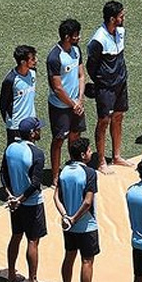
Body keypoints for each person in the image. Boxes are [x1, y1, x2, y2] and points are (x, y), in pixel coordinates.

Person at [0, 117, 47, 282]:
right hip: (32, 204)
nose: (40, 131)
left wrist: (11, 196)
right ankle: (32, 281)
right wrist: (20, 198)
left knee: (16, 236)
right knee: (33, 241)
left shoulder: (10, 148)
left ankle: (11, 275)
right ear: (33, 133)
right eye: (38, 129)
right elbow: (35, 184)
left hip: (15, 204)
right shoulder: (37, 154)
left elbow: (3, 173)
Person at [87, 1, 133, 173]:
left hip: (121, 82)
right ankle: (100, 161)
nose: (124, 18)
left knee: (119, 116)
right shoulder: (98, 40)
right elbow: (91, 65)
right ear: (112, 18)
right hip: (106, 87)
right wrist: (101, 82)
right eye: (121, 16)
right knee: (104, 121)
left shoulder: (120, 31)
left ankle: (116, 156)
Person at [54, 137, 99, 282]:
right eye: (89, 150)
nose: (91, 152)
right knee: (87, 261)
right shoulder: (89, 173)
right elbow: (87, 202)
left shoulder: (63, 171)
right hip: (86, 225)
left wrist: (66, 216)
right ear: (82, 154)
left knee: (69, 256)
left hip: (68, 226)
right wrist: (74, 218)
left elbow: (56, 197)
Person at [46, 18, 87, 185]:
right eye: (76, 35)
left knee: (75, 137)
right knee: (58, 140)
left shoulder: (76, 50)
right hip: (60, 107)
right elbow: (57, 88)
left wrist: (80, 99)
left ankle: (74, 167)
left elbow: (81, 75)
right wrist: (73, 104)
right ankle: (55, 176)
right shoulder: (54, 57)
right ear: (67, 36)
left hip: (76, 104)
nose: (79, 38)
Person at [0, 45, 38, 145]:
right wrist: (10, 121)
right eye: (32, 59)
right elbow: (3, 104)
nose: (36, 60)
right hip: (16, 126)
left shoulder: (33, 73)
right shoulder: (10, 80)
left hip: (31, 122)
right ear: (23, 62)